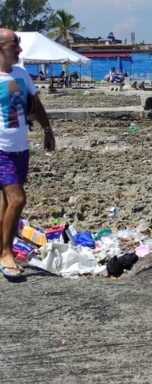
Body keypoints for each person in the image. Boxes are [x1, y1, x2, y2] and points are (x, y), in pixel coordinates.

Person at [0, 28, 55, 278]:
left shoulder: (22, 74)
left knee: (6, 202)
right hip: (1, 150)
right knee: (18, 200)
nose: (20, 50)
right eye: (14, 45)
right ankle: (5, 253)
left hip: (21, 149)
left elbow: (35, 104)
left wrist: (47, 131)